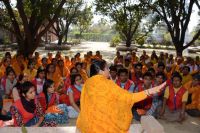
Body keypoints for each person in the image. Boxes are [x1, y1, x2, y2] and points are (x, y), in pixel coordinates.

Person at [76, 60, 166, 133]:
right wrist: (149, 91)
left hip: (87, 125)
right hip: (103, 127)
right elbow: (129, 97)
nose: (109, 71)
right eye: (107, 68)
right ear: (100, 71)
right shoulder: (106, 83)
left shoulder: (88, 82)